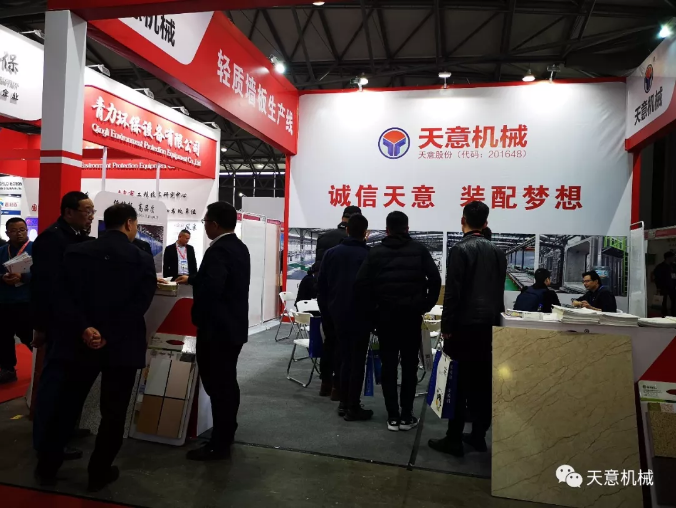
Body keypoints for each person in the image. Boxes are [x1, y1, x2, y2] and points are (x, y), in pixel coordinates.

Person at [34, 204, 156, 490]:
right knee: (113, 413)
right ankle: (99, 472)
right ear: (129, 224)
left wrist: (85, 328)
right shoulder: (141, 258)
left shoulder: (75, 252)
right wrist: (108, 334)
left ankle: (48, 466)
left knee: (66, 406)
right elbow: (139, 305)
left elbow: (60, 297)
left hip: (78, 342)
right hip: (121, 345)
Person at [428, 201, 506, 457]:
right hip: (488, 326)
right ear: (486, 223)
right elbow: (498, 292)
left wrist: (447, 326)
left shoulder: (460, 250)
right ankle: (478, 436)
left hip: (463, 327)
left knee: (458, 382)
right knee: (482, 382)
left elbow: (453, 293)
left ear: (463, 221)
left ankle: (453, 439)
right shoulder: (498, 251)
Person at [176, 202, 250, 461]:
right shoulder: (238, 247)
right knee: (227, 383)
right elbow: (223, 281)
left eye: (206, 221)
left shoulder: (218, 250)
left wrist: (199, 316)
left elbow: (213, 288)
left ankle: (219, 444)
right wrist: (194, 279)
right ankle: (227, 432)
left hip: (217, 330)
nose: (205, 226)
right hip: (233, 327)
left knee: (218, 386)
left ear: (215, 224)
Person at [356, 211, 441, 432]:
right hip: (411, 318)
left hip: (385, 319)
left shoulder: (375, 253)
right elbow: (435, 279)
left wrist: (374, 311)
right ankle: (406, 415)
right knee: (410, 367)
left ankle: (392, 416)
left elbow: (361, 284)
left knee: (389, 367)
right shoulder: (419, 250)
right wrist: (424, 306)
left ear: (387, 230)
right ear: (407, 228)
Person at [31, 191, 95, 461]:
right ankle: (46, 442)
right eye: (86, 211)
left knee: (70, 383)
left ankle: (64, 430)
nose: (91, 216)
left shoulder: (77, 236)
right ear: (69, 212)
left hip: (75, 321)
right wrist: (41, 326)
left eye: (92, 211)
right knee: (54, 385)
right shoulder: (52, 239)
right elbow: (46, 288)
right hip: (60, 323)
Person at [317, 214, 371, 421]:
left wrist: (327, 312)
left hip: (336, 315)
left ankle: (342, 401)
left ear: (347, 230)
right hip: (361, 316)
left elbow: (322, 288)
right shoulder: (369, 255)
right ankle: (352, 405)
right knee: (357, 361)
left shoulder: (331, 254)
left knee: (342, 356)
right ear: (365, 233)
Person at [315, 205, 361, 399]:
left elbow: (319, 274)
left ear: (342, 217)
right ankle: (337, 386)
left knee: (329, 342)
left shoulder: (324, 238)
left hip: (327, 301)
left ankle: (325, 383)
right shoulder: (357, 245)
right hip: (348, 304)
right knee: (345, 347)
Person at [0, 218, 33, 384]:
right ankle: (8, 369)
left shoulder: (36, 248)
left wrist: (24, 277)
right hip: (4, 301)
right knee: (4, 337)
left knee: (28, 336)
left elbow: (45, 273)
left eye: (22, 230)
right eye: (14, 231)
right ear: (7, 233)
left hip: (27, 301)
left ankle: (41, 366)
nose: (19, 234)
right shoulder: (2, 251)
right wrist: (2, 277)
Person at [654, 252, 676, 317]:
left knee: (674, 301)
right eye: (673, 257)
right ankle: (664, 315)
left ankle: (674, 315)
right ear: (668, 258)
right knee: (663, 302)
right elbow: (657, 278)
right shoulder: (660, 267)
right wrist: (658, 287)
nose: (674, 258)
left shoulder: (674, 266)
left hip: (673, 286)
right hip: (663, 287)